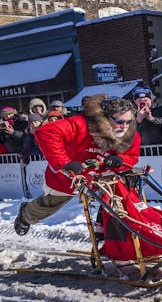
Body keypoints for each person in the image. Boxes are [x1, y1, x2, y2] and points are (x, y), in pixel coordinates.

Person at [13, 95, 140, 236]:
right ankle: (25, 215)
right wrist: (64, 163)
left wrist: (120, 159)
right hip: (70, 175)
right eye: (119, 121)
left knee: (118, 195)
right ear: (105, 117)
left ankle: (109, 233)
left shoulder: (129, 133)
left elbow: (132, 156)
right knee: (49, 204)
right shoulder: (81, 123)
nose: (125, 126)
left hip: (101, 173)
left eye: (128, 121)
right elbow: (46, 133)